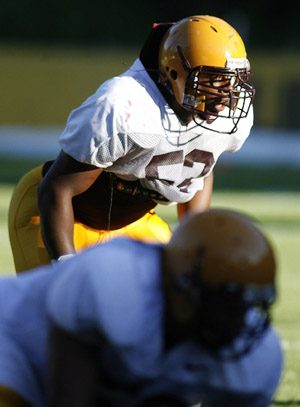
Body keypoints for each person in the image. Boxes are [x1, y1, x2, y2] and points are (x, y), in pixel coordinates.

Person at [8, 15, 255, 272]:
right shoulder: (126, 106)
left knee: (183, 299)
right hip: (58, 214)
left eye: (229, 82)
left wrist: (191, 237)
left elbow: (201, 166)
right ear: (174, 73)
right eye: (210, 82)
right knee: (67, 310)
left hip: (134, 224)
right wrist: (66, 268)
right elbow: (57, 189)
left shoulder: (224, 116)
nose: (223, 97)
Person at [0, 209, 282, 406]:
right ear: (183, 285)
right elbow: (69, 399)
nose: (238, 320)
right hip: (16, 342)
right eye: (227, 302)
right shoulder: (114, 283)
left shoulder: (258, 359)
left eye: (248, 303)